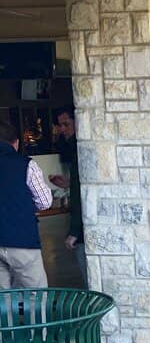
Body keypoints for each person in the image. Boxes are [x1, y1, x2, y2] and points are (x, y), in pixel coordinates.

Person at [0, 120, 53, 287]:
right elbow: (45, 202)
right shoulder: (27, 165)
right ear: (15, 143)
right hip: (22, 240)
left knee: (2, 300)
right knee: (36, 297)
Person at [51, 106, 87, 286]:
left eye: (66, 124)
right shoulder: (74, 147)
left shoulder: (79, 148)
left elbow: (83, 193)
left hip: (83, 225)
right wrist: (67, 184)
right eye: (59, 125)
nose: (62, 129)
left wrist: (74, 231)